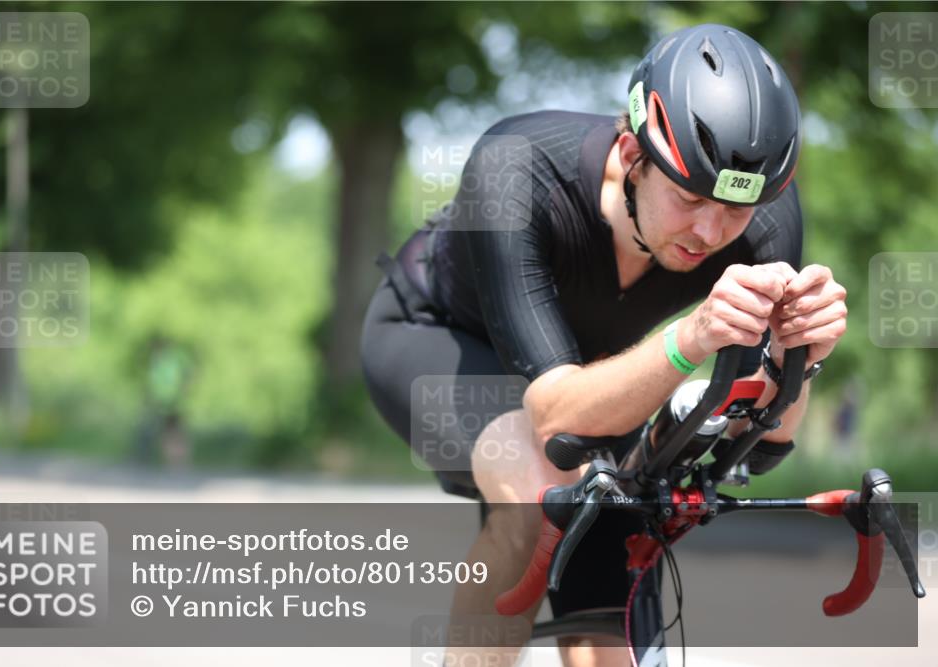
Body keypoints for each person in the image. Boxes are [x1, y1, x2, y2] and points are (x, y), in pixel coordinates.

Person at [361, 23, 847, 667]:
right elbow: (555, 417)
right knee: (541, 491)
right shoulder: (517, 167)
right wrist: (692, 335)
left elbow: (767, 444)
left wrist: (799, 357)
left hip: (588, 373)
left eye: (734, 212)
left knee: (611, 542)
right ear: (630, 154)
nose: (710, 231)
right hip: (437, 336)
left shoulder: (765, 220)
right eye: (688, 197)